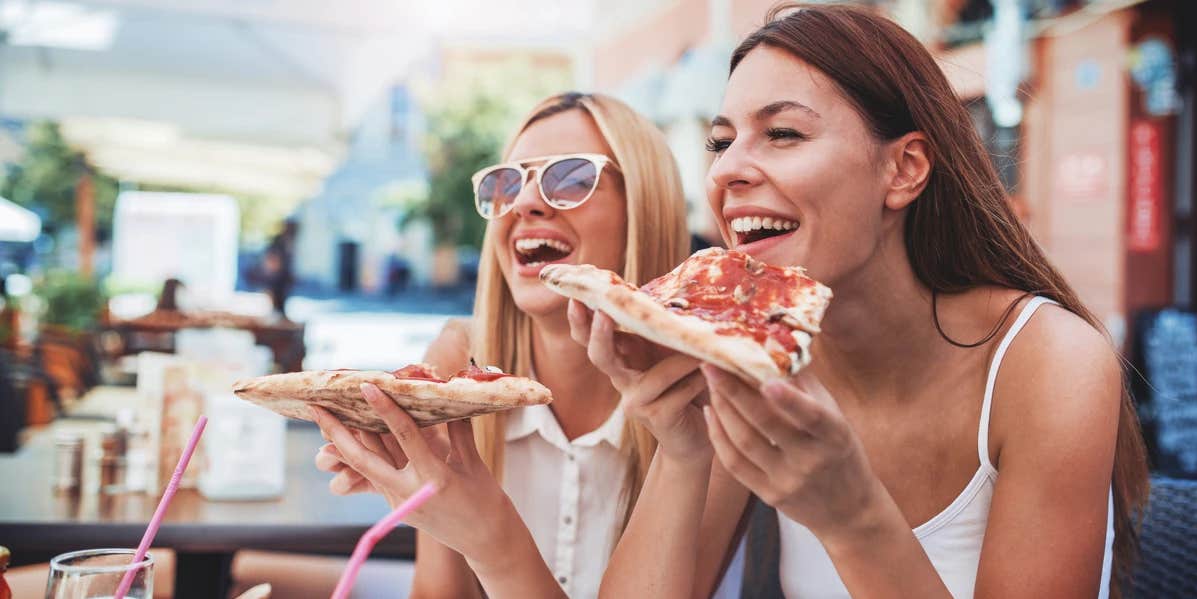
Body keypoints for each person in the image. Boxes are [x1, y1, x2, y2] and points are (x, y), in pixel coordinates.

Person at [576, 5, 1148, 598]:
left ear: (904, 169)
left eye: (783, 133)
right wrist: (681, 449)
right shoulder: (750, 359)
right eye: (721, 141)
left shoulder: (1049, 362)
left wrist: (853, 517)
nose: (727, 170)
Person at [310, 92, 706, 598]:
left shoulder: (705, 399)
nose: (524, 204)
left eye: (572, 178)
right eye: (506, 184)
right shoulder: (454, 366)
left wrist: (492, 541)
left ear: (645, 209)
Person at [262, 219, 298, 318]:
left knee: (282, 298)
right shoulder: (278, 241)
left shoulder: (288, 241)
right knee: (275, 299)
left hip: (282, 277)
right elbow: (272, 258)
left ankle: (280, 315)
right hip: (276, 276)